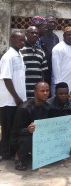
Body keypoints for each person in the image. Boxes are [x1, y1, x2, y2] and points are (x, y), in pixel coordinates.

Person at [11, 81, 50, 171]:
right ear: (35, 93)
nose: (45, 93)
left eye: (47, 91)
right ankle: (18, 158)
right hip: (21, 138)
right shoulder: (24, 108)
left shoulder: (47, 107)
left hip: (39, 136)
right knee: (28, 138)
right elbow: (15, 132)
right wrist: (28, 130)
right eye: (42, 91)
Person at [0, 31, 26, 160]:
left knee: (15, 128)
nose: (22, 42)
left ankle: (12, 151)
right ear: (12, 40)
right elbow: (7, 79)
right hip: (9, 101)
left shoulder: (19, 55)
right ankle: (5, 153)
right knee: (7, 127)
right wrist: (16, 97)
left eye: (23, 40)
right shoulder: (8, 57)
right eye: (20, 40)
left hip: (18, 99)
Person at [47, 82, 71, 152]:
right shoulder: (48, 104)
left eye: (66, 93)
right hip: (52, 131)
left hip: (66, 131)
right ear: (55, 93)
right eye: (60, 94)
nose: (63, 96)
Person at [20, 26, 48, 99]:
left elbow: (43, 72)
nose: (34, 35)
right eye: (32, 33)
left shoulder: (41, 51)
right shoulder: (20, 50)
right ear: (26, 34)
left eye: (36, 33)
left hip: (36, 92)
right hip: (23, 89)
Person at [52, 26, 71, 94]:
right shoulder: (58, 48)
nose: (70, 37)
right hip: (62, 84)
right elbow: (56, 68)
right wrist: (59, 85)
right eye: (68, 35)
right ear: (64, 35)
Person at [41, 15, 60, 85]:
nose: (53, 24)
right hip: (41, 68)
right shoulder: (40, 35)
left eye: (54, 22)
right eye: (50, 22)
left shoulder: (56, 38)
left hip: (51, 68)